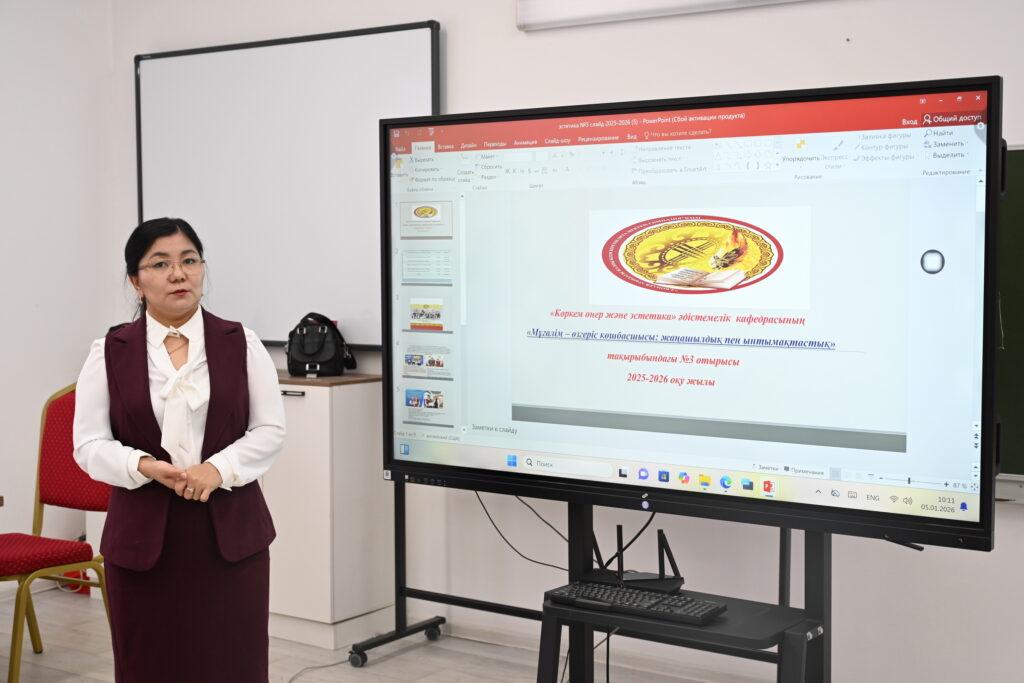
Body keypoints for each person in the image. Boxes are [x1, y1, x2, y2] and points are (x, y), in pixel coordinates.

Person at [73, 218, 286, 682]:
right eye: (160, 264)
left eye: (189, 260)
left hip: (231, 538)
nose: (178, 274)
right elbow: (88, 445)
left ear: (202, 268)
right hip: (141, 542)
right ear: (136, 280)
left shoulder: (241, 343)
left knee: (234, 664)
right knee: (150, 664)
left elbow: (270, 430)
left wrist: (219, 468)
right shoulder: (109, 351)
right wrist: (144, 465)